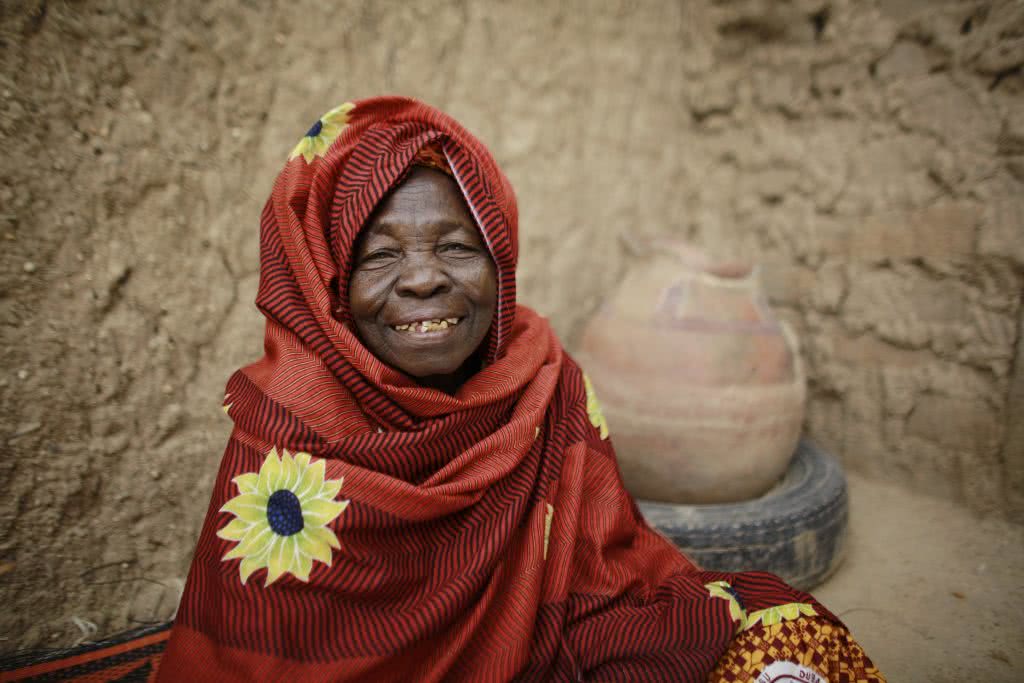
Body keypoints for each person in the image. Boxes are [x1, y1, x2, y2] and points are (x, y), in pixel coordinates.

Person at [156, 96, 884, 682]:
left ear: (499, 261)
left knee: (786, 648)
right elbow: (252, 654)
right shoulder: (286, 435)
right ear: (328, 289)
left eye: (455, 246)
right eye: (380, 255)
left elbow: (606, 570)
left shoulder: (540, 379)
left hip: (551, 641)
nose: (422, 277)